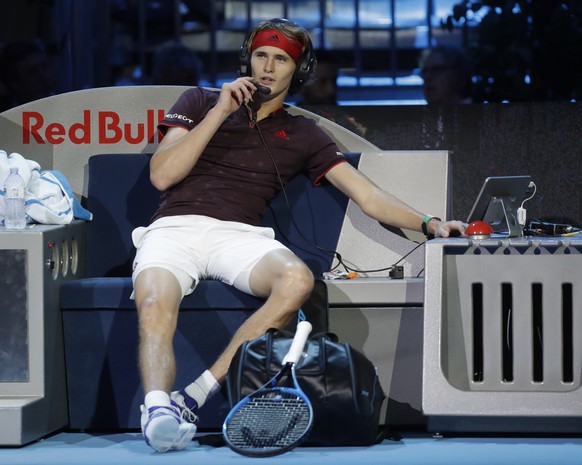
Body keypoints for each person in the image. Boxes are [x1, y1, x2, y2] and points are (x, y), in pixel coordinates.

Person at [133, 18, 466, 453]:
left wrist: (431, 223)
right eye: (261, 56)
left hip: (240, 236)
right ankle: (157, 410)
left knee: (298, 280)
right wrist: (219, 113)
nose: (268, 68)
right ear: (247, 60)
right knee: (154, 301)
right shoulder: (199, 100)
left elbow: (368, 196)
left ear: (299, 70)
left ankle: (192, 398)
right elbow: (162, 175)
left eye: (281, 59)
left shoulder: (305, 133)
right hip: (175, 228)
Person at [0, 39, 55, 112]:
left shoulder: (68, 106)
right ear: (13, 82)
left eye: (44, 67)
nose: (45, 76)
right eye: (33, 71)